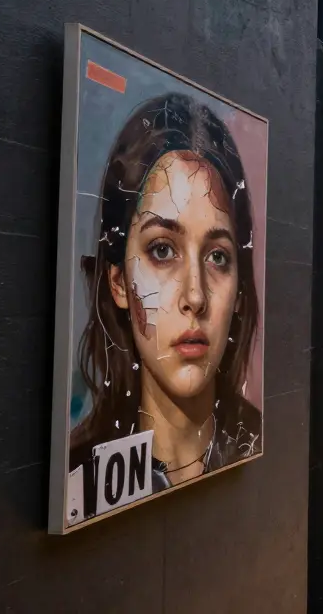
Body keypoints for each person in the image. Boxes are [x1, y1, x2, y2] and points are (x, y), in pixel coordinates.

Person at [69, 92, 262, 512]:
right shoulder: (78, 481)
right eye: (162, 250)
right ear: (118, 281)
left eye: (217, 257)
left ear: (240, 290)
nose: (195, 296)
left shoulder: (259, 438)